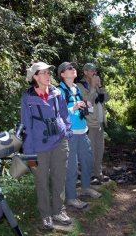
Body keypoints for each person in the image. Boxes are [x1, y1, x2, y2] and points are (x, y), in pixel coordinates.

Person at [21, 62, 73, 230]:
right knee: (41, 181)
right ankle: (46, 215)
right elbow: (26, 126)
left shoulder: (56, 93)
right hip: (39, 146)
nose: (47, 75)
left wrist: (67, 132)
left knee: (59, 178)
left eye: (48, 72)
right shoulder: (28, 98)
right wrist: (29, 155)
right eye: (43, 73)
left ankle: (59, 211)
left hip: (59, 142)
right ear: (35, 76)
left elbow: (65, 114)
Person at [57, 61, 101, 210]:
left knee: (88, 161)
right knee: (72, 167)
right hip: (70, 134)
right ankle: (71, 198)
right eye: (69, 68)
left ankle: (86, 187)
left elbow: (81, 106)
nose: (73, 69)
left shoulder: (76, 88)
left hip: (83, 130)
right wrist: (74, 107)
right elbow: (57, 113)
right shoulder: (59, 91)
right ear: (62, 74)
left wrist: (86, 105)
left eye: (74, 67)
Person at [77, 63, 110, 185]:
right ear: (85, 72)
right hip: (89, 123)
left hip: (100, 122)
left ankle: (98, 173)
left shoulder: (96, 85)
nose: (94, 73)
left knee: (100, 149)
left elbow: (106, 98)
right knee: (90, 150)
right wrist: (92, 86)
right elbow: (85, 101)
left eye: (95, 71)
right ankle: (90, 175)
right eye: (91, 71)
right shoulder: (81, 86)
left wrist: (100, 87)